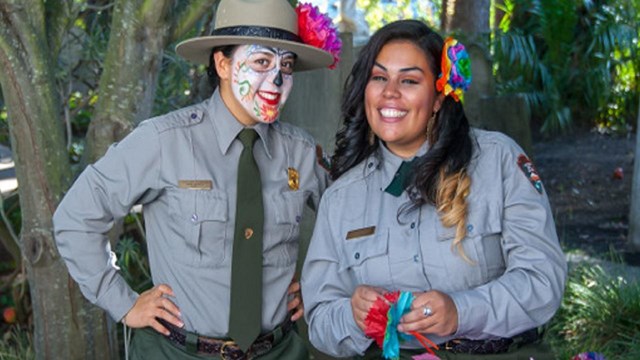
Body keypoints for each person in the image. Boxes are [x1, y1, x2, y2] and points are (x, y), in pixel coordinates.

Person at [53, 0, 340, 359]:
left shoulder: (301, 153)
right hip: (179, 352)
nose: (277, 80)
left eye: (286, 65)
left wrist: (323, 285)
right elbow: (74, 218)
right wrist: (123, 304)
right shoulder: (163, 141)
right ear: (222, 63)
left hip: (278, 351)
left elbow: (354, 221)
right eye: (262, 62)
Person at [301, 19, 567, 359]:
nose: (389, 92)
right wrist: (354, 317)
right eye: (379, 78)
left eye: (409, 80)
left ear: (439, 96)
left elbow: (543, 280)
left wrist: (461, 311)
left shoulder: (498, 161)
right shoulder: (342, 197)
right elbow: (321, 318)